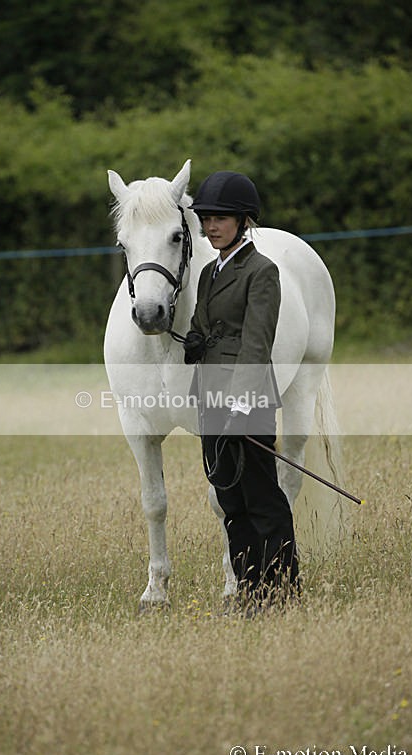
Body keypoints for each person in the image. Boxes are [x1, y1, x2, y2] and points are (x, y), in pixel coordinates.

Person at [183, 171, 300, 614]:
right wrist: (194, 341)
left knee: (262, 500)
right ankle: (252, 592)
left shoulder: (261, 271)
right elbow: (203, 326)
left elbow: (256, 343)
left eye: (221, 219)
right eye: (207, 218)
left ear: (244, 221)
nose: (211, 226)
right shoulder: (209, 274)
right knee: (230, 500)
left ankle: (283, 593)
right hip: (209, 397)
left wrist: (240, 402)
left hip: (245, 399)